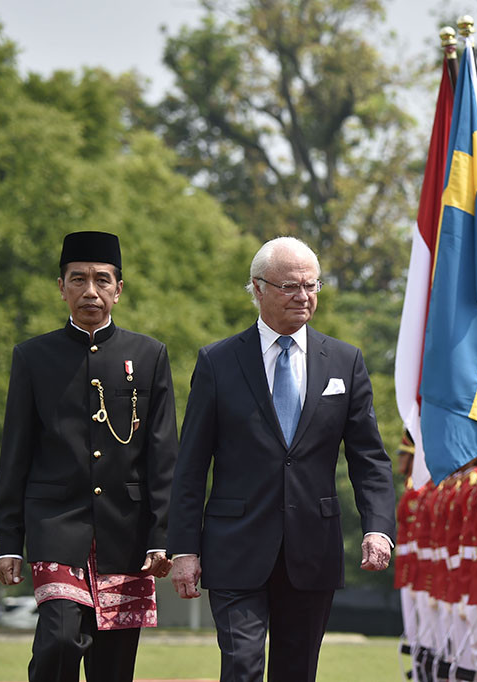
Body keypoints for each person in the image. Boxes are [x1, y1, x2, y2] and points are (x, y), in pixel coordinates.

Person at [167, 236, 396, 682]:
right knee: (242, 666)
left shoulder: (345, 362)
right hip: (235, 548)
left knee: (296, 672)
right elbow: (191, 466)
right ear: (258, 288)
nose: (304, 296)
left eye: (312, 285)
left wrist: (378, 528)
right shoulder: (218, 362)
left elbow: (370, 459)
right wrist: (184, 549)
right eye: (290, 286)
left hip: (313, 548)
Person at [0, 230, 179, 682]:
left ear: (119, 288)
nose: (89, 291)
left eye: (101, 279)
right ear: (61, 287)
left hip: (127, 532)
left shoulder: (149, 355)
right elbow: (15, 453)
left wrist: (162, 535)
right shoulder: (32, 357)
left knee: (112, 667)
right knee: (57, 639)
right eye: (77, 279)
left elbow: (162, 454)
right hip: (56, 524)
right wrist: (9, 540)